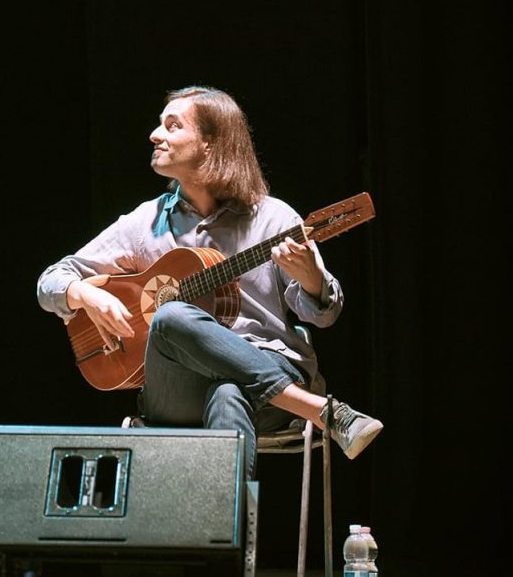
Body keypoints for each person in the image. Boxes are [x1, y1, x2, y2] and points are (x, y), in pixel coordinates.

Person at [36, 85, 381, 481]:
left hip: (267, 378)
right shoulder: (144, 223)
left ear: (211, 144)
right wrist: (84, 295)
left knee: (229, 392)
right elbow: (51, 279)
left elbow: (325, 315)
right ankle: (324, 411)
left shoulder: (273, 219)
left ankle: (225, 542)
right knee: (170, 317)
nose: (154, 135)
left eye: (172, 125)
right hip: (177, 387)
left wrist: (312, 280)